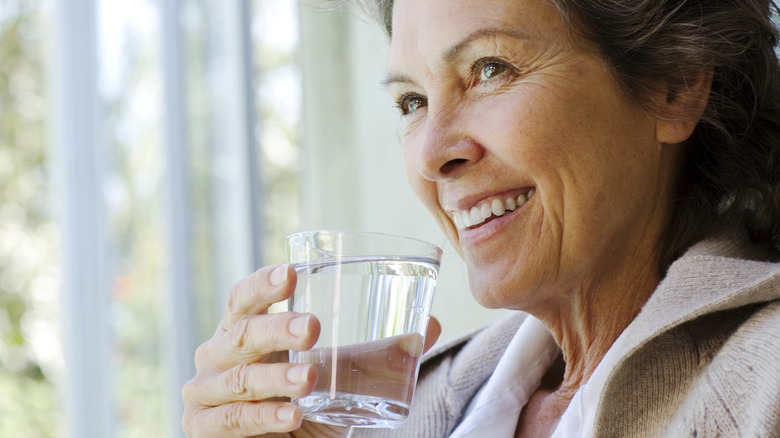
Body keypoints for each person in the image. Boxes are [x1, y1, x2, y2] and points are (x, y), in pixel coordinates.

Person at [181, 0, 780, 436]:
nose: (432, 153)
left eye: (490, 68)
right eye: (412, 102)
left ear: (675, 86)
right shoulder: (389, 414)